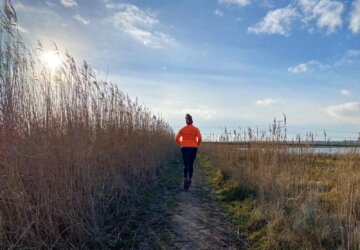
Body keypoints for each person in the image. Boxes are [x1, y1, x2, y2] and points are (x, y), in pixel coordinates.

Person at [176, 114, 202, 190]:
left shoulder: (182, 129)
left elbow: (177, 138)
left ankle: (185, 179)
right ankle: (190, 179)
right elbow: (200, 138)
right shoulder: (196, 129)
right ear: (192, 121)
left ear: (186, 122)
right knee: (191, 164)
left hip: (184, 148)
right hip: (193, 148)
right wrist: (197, 144)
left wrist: (182, 143)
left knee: (186, 164)